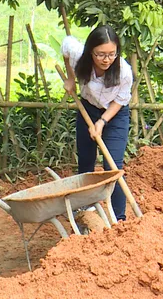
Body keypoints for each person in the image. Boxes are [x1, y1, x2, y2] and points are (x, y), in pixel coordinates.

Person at [61, 24, 133, 221]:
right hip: (88, 108)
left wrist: (102, 122)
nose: (107, 59)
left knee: (113, 164)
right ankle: (84, 209)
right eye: (100, 54)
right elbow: (66, 46)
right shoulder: (79, 55)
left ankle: (120, 218)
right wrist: (70, 78)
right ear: (90, 50)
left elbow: (120, 100)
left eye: (112, 54)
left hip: (115, 114)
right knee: (86, 160)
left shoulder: (124, 71)